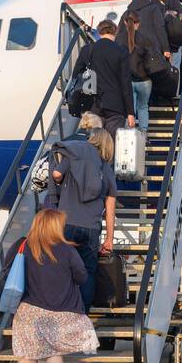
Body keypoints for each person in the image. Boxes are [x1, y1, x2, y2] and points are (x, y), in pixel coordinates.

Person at [10, 208, 100, 363]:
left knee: (27, 357)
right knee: (54, 355)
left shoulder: (22, 245)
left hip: (29, 313)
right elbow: (82, 277)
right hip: (61, 313)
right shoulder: (67, 250)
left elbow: (8, 270)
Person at [42, 128, 117, 310]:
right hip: (91, 228)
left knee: (61, 268)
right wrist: (109, 239)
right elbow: (110, 208)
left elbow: (56, 175)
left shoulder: (74, 156)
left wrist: (61, 184)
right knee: (87, 272)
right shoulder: (106, 168)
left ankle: (61, 310)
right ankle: (82, 315)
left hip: (67, 223)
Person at [122, 0, 180, 132]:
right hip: (146, 76)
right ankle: (144, 133)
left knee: (131, 107)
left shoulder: (129, 12)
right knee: (143, 106)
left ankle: (129, 132)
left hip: (130, 76)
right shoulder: (154, 8)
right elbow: (161, 29)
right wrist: (166, 49)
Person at [72, 19, 136, 140]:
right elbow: (126, 83)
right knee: (110, 144)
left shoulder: (88, 49)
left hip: (93, 103)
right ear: (115, 32)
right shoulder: (121, 51)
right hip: (116, 105)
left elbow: (76, 73)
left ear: (100, 32)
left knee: (94, 142)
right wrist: (130, 112)